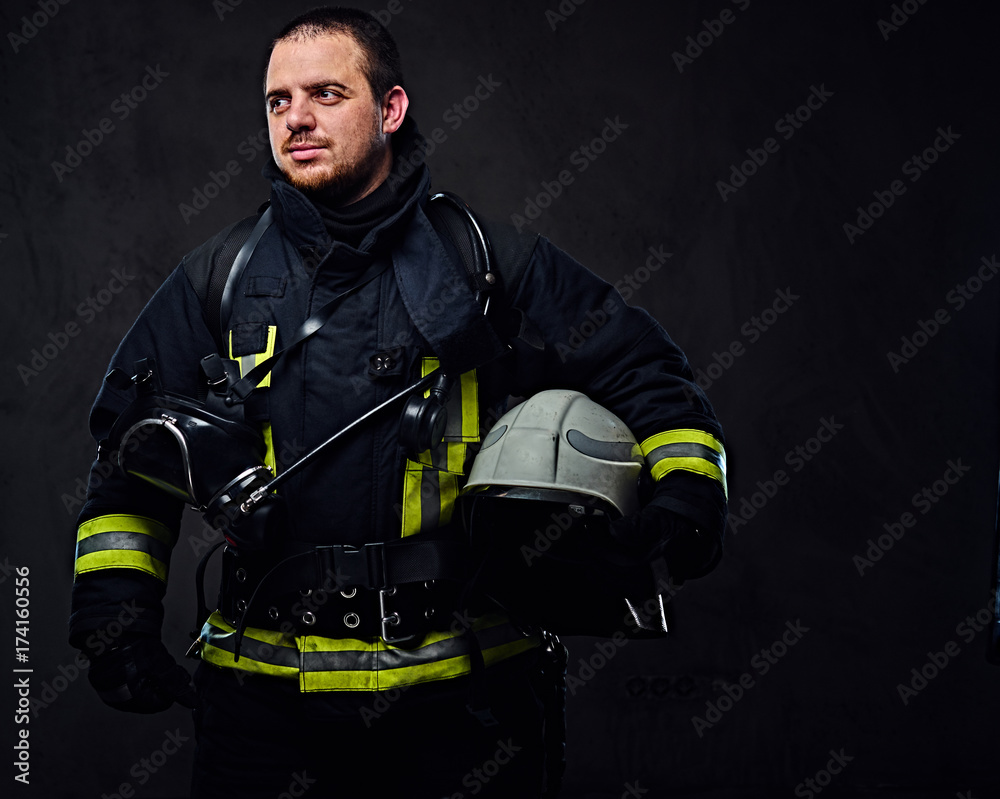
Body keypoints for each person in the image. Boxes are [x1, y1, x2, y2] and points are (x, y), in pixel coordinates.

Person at [69, 7, 728, 798]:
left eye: (326, 94)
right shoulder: (221, 277)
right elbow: (131, 465)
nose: (297, 119)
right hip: (264, 709)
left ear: (391, 109)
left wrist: (685, 504)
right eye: (279, 101)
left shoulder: (484, 263)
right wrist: (118, 623)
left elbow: (644, 369)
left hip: (466, 703)